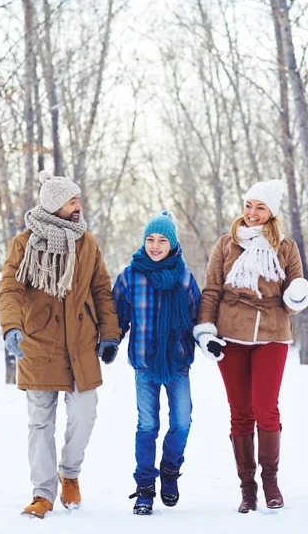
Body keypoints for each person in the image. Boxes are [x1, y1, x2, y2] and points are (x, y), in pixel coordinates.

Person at [0, 171, 121, 519]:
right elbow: (10, 289)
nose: (79, 207)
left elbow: (102, 291)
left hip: (81, 344)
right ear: (54, 206)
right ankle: (42, 493)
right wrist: (11, 328)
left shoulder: (87, 243)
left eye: (78, 200)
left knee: (85, 414)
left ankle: (70, 473)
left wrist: (109, 335)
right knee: (40, 423)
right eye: (72, 202)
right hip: (38, 344)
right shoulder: (24, 244)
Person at [194, 179, 308, 513]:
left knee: (265, 408)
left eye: (260, 207)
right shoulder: (226, 244)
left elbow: (292, 300)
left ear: (271, 212)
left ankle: (270, 480)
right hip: (231, 335)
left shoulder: (285, 248)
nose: (252, 213)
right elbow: (212, 290)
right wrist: (206, 331)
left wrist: (298, 295)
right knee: (240, 412)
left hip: (272, 333)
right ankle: (248, 488)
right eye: (248, 205)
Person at [112, 211, 201, 515]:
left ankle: (170, 472)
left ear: (172, 243)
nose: (155, 245)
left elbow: (196, 320)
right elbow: (117, 318)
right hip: (144, 363)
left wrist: (207, 340)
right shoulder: (129, 276)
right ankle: (145, 488)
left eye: (162, 240)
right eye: (150, 239)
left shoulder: (185, 278)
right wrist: (111, 341)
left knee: (182, 422)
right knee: (147, 425)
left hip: (177, 363)